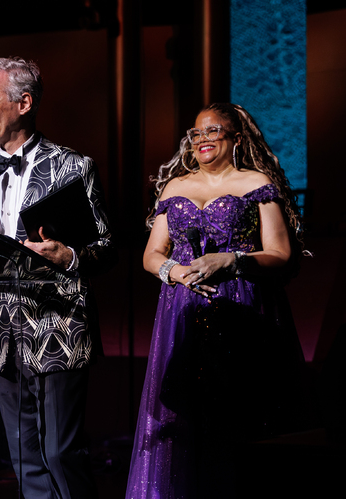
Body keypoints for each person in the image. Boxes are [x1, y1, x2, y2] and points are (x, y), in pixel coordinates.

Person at [125, 103, 308, 498]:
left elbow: (281, 254)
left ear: (236, 138)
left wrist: (234, 260)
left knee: (241, 413)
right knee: (185, 418)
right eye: (196, 133)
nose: (203, 139)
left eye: (213, 131)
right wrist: (173, 271)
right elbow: (151, 253)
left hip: (242, 308)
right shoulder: (175, 187)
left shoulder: (255, 182)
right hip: (182, 311)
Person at [0, 56, 115, 498]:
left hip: (58, 329)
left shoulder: (73, 167)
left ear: (23, 103)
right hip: (1, 333)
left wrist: (68, 256)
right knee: (23, 457)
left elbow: (107, 250)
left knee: (61, 455)